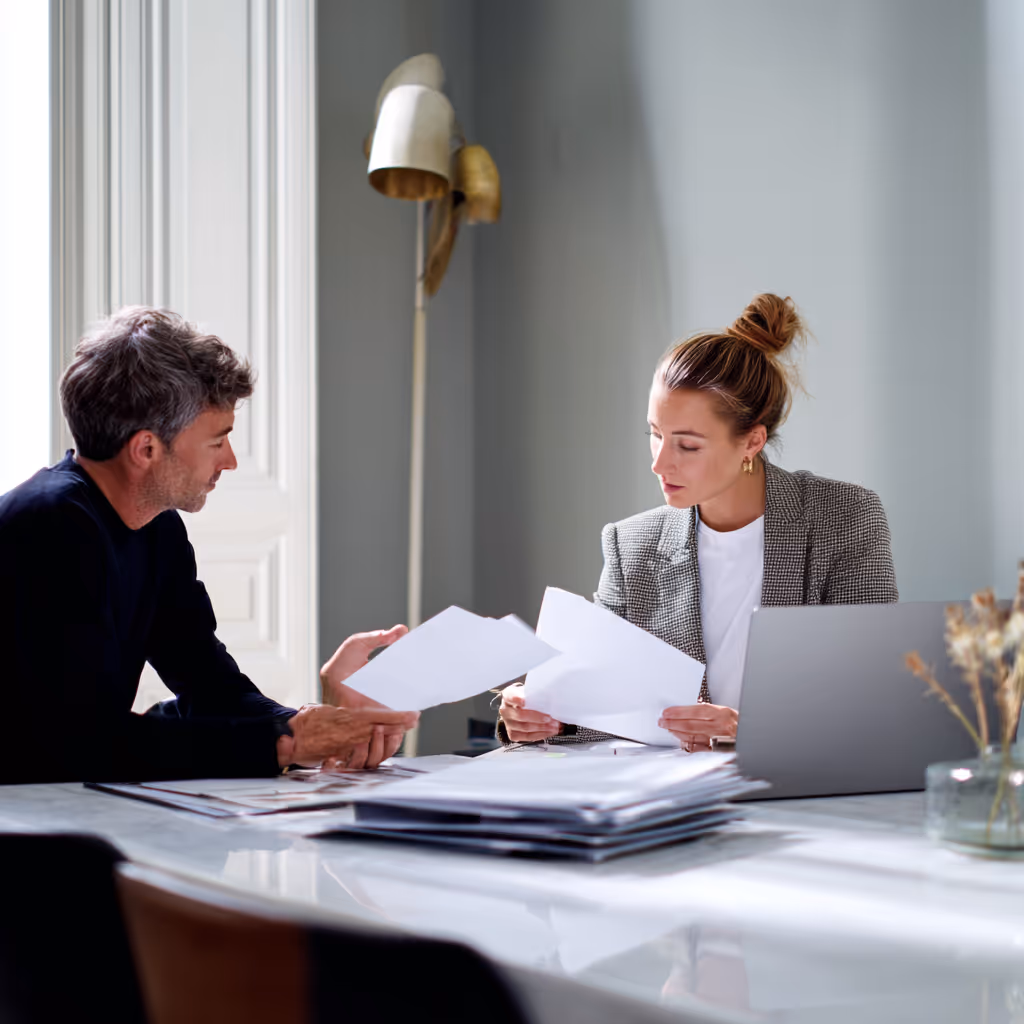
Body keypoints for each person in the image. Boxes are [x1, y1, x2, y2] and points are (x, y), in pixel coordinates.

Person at [0, 307, 418, 784]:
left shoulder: (156, 525)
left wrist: (300, 724)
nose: (232, 461)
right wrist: (284, 745)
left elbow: (208, 682)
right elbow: (79, 741)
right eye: (218, 441)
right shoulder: (47, 527)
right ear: (146, 450)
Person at [499, 293, 898, 749]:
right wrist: (546, 716)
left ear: (751, 441)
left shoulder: (843, 519)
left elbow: (873, 702)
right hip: (669, 800)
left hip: (798, 797)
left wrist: (750, 729)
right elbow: (604, 706)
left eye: (687, 446)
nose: (660, 463)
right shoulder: (630, 545)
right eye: (655, 435)